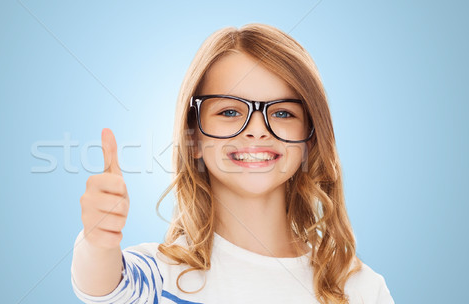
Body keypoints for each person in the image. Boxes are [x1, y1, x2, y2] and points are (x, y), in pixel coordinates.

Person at [71, 23, 395, 304]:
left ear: (310, 139)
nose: (256, 129)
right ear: (193, 138)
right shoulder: (162, 278)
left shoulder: (359, 290)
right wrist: (98, 241)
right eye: (229, 112)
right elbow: (103, 287)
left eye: (282, 112)